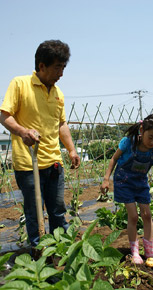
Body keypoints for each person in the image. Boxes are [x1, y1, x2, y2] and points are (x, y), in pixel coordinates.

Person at [0, 40, 81, 249]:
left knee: (57, 209)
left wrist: (71, 149)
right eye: (57, 67)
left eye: (63, 68)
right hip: (29, 163)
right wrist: (22, 131)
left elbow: (61, 124)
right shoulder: (20, 84)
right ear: (42, 65)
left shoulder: (58, 93)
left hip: (54, 161)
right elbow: (4, 114)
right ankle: (38, 250)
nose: (61, 73)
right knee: (35, 211)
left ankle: (61, 248)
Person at [100, 114, 153, 264]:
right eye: (151, 137)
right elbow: (114, 159)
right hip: (123, 182)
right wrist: (106, 179)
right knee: (133, 216)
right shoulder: (128, 143)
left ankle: (150, 251)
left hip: (140, 183)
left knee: (147, 215)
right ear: (141, 130)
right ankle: (134, 252)